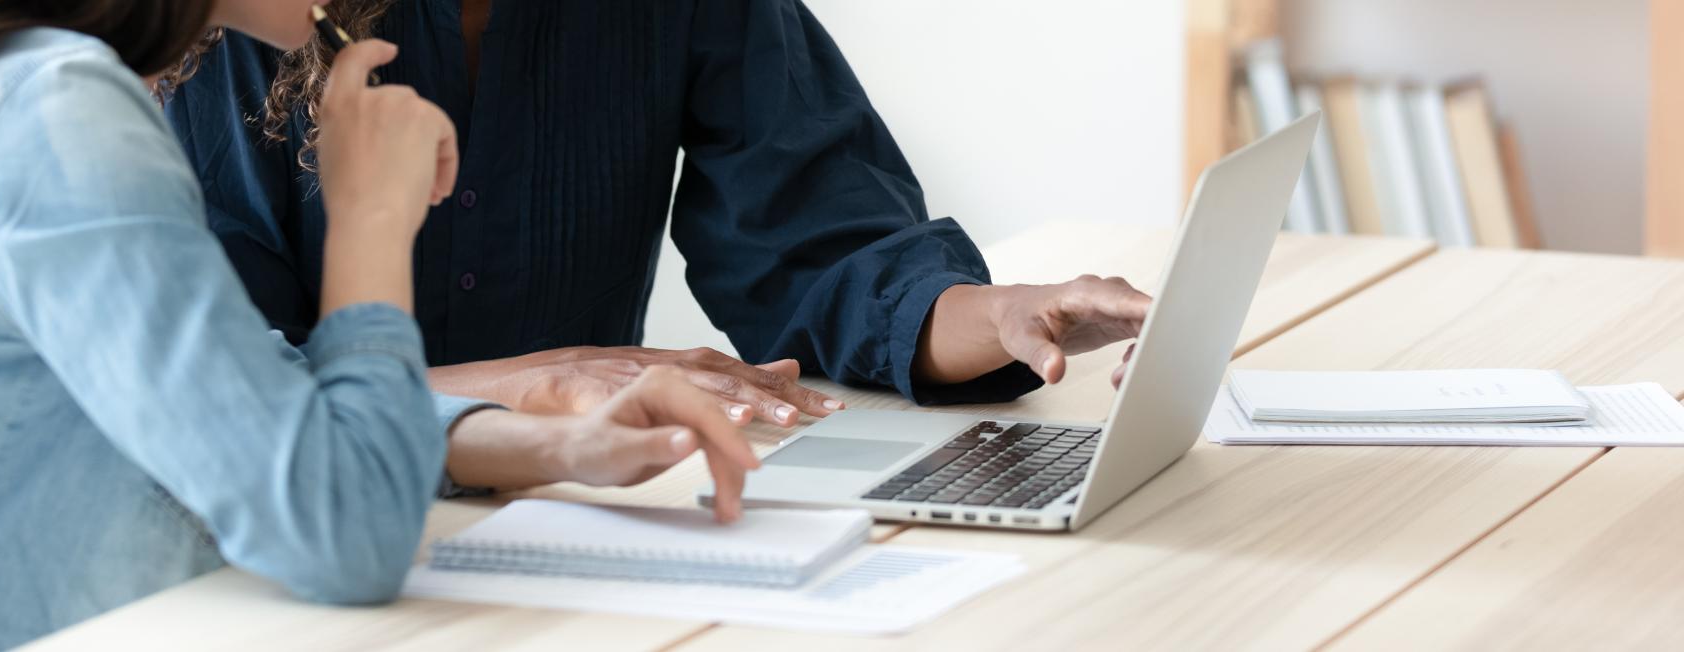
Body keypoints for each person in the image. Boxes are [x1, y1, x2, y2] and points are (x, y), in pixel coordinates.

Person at [0, 0, 756, 648]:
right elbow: (342, 534)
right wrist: (371, 220)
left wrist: (545, 441)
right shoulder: (54, 113)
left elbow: (235, 411)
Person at [164, 0, 1155, 428]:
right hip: (282, 557)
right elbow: (230, 394)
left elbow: (818, 243)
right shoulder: (220, 29)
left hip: (574, 507)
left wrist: (1000, 317)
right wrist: (543, 381)